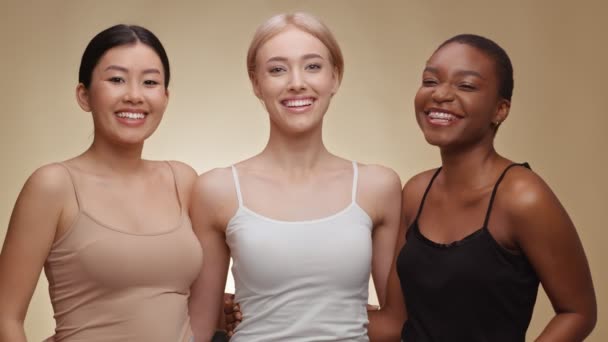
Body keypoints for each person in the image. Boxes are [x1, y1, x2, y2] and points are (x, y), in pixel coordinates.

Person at [225, 33, 598, 342]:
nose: (441, 94)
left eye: (465, 85)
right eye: (430, 81)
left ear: (501, 109)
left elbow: (579, 312)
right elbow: (396, 320)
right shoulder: (417, 192)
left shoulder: (522, 196)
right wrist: (264, 311)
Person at [188, 12, 402, 342]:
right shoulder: (216, 190)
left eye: (313, 66)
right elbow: (201, 328)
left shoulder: (378, 187)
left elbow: (396, 323)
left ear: (335, 77)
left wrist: (338, 318)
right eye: (277, 69)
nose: (296, 82)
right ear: (256, 83)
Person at [0, 24, 203, 342]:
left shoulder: (184, 181)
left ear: (165, 97)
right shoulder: (53, 186)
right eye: (116, 79)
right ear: (85, 95)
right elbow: (6, 317)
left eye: (150, 82)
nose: (134, 95)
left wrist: (228, 309)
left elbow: (185, 304)